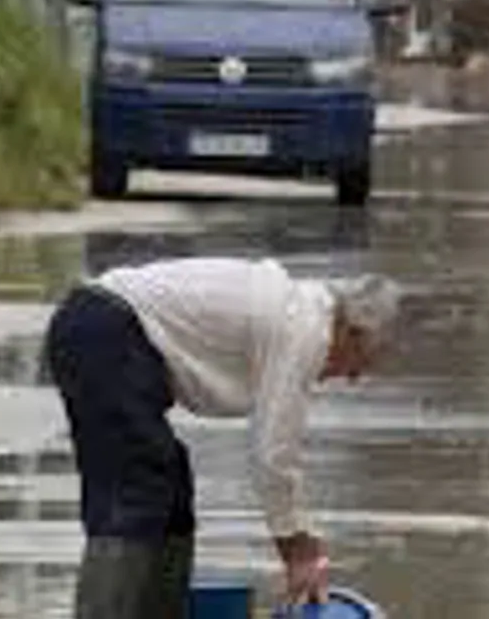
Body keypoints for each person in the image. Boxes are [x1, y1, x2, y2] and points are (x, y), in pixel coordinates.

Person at [42, 256, 403, 619]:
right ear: (352, 331)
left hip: (107, 330)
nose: (352, 377)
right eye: (360, 362)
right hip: (104, 330)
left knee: (170, 488)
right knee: (136, 491)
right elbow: (274, 453)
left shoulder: (301, 315)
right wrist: (298, 548)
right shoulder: (305, 330)